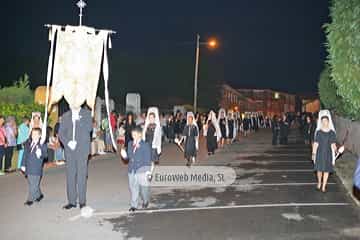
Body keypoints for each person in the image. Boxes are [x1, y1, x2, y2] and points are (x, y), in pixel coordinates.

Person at [59, 107, 92, 210]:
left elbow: (89, 128)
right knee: (70, 176)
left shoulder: (86, 114)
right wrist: (68, 143)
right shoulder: (65, 116)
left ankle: (82, 201)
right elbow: (61, 133)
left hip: (82, 150)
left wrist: (78, 120)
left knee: (81, 176)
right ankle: (72, 201)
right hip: (70, 150)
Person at [120, 126, 154, 212]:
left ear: (140, 135)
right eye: (132, 135)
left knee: (143, 189)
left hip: (141, 170)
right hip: (132, 170)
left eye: (135, 135)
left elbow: (147, 159)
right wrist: (124, 155)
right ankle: (134, 205)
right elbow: (128, 157)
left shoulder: (145, 145)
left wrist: (147, 171)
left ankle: (145, 200)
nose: (133, 137)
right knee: (133, 188)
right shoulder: (130, 144)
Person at [20, 127, 47, 206]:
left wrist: (40, 154)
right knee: (32, 183)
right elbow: (24, 155)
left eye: (36, 134)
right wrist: (22, 164)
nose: (33, 136)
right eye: (32, 134)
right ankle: (39, 195)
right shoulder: (28, 143)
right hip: (28, 168)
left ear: (39, 135)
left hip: (36, 168)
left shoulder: (42, 144)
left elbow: (45, 155)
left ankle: (30, 199)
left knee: (33, 184)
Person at [312, 110, 337, 193]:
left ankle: (323, 186)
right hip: (319, 154)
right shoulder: (318, 132)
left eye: (326, 121)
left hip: (328, 154)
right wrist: (313, 154)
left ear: (328, 122)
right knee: (319, 170)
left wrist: (337, 149)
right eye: (322, 121)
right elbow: (316, 144)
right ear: (321, 122)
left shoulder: (332, 133)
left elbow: (333, 144)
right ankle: (319, 182)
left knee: (326, 170)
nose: (324, 123)